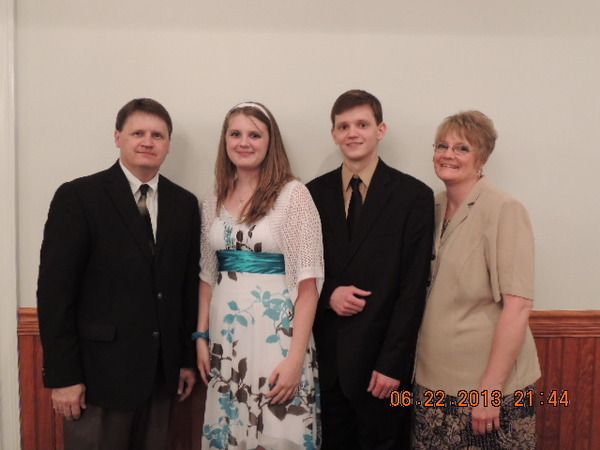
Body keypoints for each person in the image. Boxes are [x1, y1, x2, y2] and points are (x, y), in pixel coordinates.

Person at [37, 98, 200, 450]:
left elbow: (186, 289)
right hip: (97, 379)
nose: (147, 142)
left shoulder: (185, 204)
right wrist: (64, 377)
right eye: (138, 133)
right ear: (118, 137)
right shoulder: (79, 197)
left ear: (169, 144)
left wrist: (186, 360)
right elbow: (55, 293)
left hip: (161, 377)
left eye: (157, 135)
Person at [306, 89, 434, 450]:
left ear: (381, 130)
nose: (353, 133)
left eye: (362, 124)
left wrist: (393, 364)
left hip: (384, 366)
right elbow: (302, 268)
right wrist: (329, 294)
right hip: (329, 362)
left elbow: (413, 288)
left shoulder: (414, 197)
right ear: (334, 134)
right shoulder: (311, 194)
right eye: (344, 126)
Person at [196, 101, 323, 449]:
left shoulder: (293, 195)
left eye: (254, 135)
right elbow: (207, 276)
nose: (244, 142)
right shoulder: (213, 199)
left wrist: (295, 360)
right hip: (226, 341)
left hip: (277, 339)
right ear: (225, 140)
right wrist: (201, 336)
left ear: (270, 142)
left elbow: (309, 287)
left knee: (276, 430)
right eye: (235, 134)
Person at [413, 111, 541, 449]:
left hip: (486, 390)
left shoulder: (504, 209)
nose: (448, 155)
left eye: (462, 148)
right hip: (432, 384)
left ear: (482, 158)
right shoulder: (432, 206)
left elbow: (518, 306)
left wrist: (489, 392)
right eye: (442, 146)